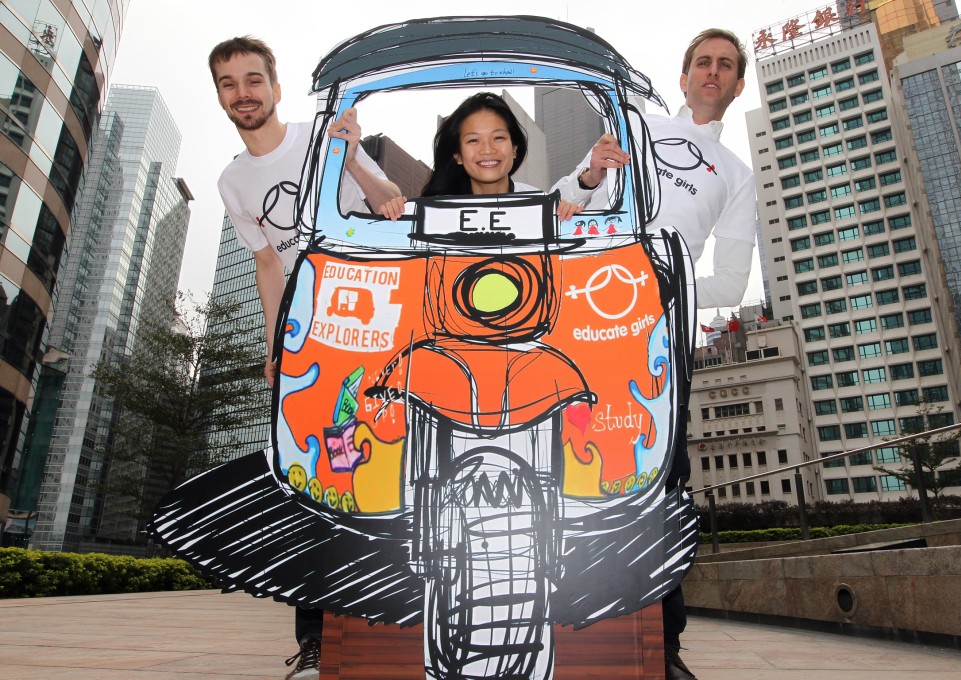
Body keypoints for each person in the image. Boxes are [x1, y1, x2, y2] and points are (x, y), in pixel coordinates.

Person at [552, 29, 755, 680]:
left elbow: (728, 283)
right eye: (703, 62)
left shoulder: (738, 177)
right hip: (584, 318)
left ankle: (664, 648)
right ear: (685, 74)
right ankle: (555, 628)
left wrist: (665, 276)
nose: (712, 73)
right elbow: (564, 207)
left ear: (737, 84)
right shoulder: (631, 130)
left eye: (726, 66)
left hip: (659, 341)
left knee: (663, 480)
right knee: (564, 463)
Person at [209, 36, 401, 680]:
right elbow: (268, 263)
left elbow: (385, 198)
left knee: (386, 468)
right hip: (306, 340)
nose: (244, 93)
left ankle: (398, 625)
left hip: (370, 325)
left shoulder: (319, 136)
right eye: (230, 83)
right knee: (308, 487)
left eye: (253, 79)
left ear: (275, 86)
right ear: (220, 96)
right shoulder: (232, 181)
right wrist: (273, 348)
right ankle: (318, 638)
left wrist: (357, 157)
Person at [377, 91, 580, 221]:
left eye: (498, 137)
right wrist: (394, 216)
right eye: (473, 140)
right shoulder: (431, 214)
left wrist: (569, 219)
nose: (487, 149)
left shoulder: (542, 207)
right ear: (457, 155)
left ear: (515, 149)